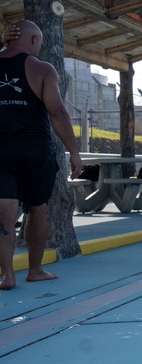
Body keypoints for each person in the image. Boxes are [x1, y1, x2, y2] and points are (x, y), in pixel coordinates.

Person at [0, 20, 84, 290]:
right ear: (35, 41)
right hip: (35, 151)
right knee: (37, 210)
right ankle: (34, 270)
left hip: (1, 151)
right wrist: (73, 151)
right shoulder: (42, 69)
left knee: (4, 215)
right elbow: (57, 112)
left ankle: (7, 275)